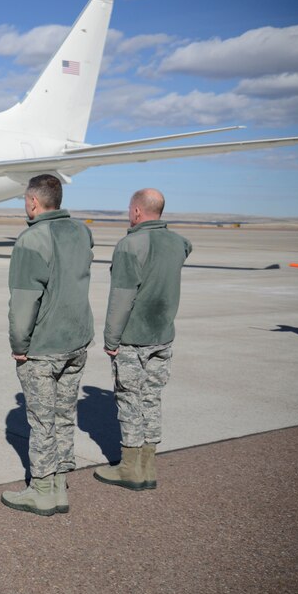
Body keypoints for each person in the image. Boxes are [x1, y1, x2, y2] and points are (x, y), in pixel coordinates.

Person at [1, 173, 93, 516]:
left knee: (42, 421)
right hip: (77, 339)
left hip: (44, 346)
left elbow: (24, 300)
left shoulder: (32, 239)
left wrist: (19, 344)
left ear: (33, 202)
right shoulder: (81, 232)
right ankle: (59, 485)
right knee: (64, 415)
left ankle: (42, 490)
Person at [95, 188, 191, 490]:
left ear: (137, 211)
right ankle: (148, 467)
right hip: (163, 336)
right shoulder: (178, 243)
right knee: (151, 398)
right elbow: (186, 249)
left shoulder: (130, 245)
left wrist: (111, 339)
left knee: (129, 399)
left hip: (133, 338)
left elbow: (122, 298)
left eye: (129, 209)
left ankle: (130, 468)